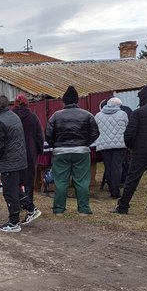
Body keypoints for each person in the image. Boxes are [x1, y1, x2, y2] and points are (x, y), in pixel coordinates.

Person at [114, 84, 147, 215]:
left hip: (140, 151)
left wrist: (131, 146)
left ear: (143, 97)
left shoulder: (138, 112)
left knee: (132, 178)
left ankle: (123, 206)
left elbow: (129, 134)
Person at [0, 95, 41, 232]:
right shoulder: (13, 116)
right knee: (14, 188)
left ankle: (14, 222)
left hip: (8, 161)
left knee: (9, 192)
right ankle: (31, 209)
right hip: (19, 158)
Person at [45, 86, 99, 215]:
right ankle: (84, 210)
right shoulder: (87, 115)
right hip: (81, 152)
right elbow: (95, 133)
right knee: (81, 181)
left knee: (61, 181)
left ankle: (58, 209)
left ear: (63, 101)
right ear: (77, 101)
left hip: (61, 152)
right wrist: (86, 143)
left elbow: (48, 134)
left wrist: (55, 146)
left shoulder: (55, 116)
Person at [12, 94, 44, 206]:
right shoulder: (32, 117)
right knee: (29, 179)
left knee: (15, 179)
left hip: (14, 151)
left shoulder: (11, 117)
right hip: (30, 151)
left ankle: (18, 203)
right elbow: (39, 136)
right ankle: (29, 204)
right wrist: (40, 150)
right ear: (27, 103)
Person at [93, 97, 129, 198]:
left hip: (104, 145)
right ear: (118, 105)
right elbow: (127, 126)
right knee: (117, 167)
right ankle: (115, 192)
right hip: (120, 145)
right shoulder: (123, 114)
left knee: (108, 167)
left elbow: (95, 129)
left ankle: (111, 189)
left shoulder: (98, 115)